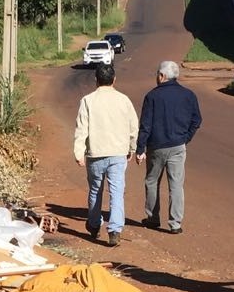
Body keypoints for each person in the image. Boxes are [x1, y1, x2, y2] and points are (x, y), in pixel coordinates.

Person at [73, 62, 139, 246]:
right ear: (114, 80)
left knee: (95, 190)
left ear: (96, 80)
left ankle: (94, 225)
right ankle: (115, 230)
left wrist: (79, 152)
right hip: (118, 152)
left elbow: (81, 128)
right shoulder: (123, 100)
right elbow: (133, 127)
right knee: (117, 192)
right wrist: (132, 148)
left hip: (95, 153)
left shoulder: (88, 100)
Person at [135, 60, 202, 234]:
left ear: (162, 76)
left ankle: (152, 218)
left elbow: (145, 125)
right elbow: (196, 120)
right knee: (176, 185)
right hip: (178, 146)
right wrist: (185, 138)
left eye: (158, 74)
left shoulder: (152, 96)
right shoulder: (188, 95)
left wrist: (140, 148)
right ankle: (175, 224)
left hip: (156, 147)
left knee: (152, 181)